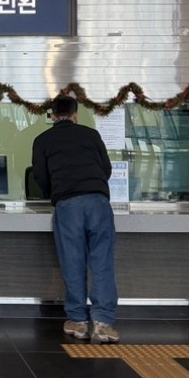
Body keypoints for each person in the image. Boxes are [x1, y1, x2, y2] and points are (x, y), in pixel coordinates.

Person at [31, 94, 120, 343]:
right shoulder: (91, 135)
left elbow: (40, 175)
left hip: (68, 205)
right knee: (102, 262)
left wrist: (56, 193)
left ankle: (78, 322)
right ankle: (103, 322)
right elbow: (106, 169)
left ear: (52, 115)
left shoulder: (43, 140)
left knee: (73, 262)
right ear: (75, 114)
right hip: (98, 202)